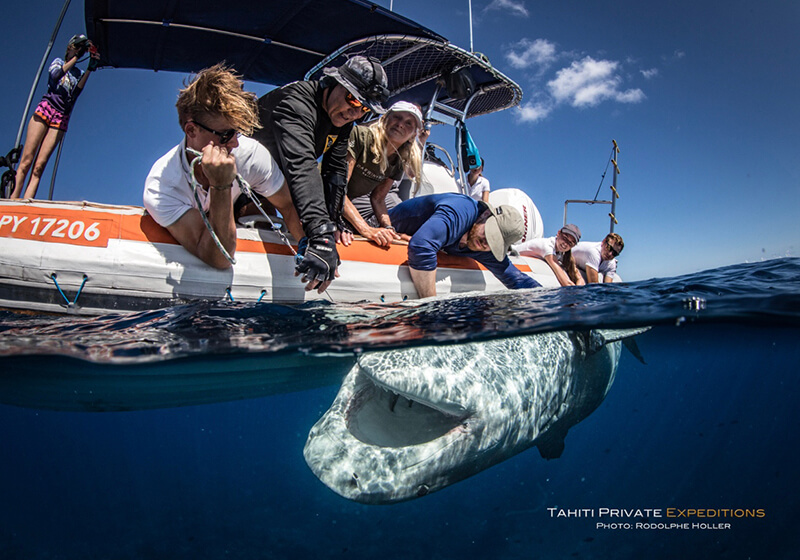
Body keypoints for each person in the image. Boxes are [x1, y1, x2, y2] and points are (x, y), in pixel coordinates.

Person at [143, 64, 303, 270]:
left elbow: (288, 207)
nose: (235, 143)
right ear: (191, 130)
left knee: (259, 207)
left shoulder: (250, 153)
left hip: (238, 207)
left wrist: (310, 246)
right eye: (226, 135)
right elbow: (220, 258)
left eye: (237, 133)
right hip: (200, 218)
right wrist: (220, 185)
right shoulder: (161, 187)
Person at [253, 56, 388, 293]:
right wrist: (321, 236)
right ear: (333, 83)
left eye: (363, 109)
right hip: (241, 183)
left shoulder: (342, 122)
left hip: (274, 185)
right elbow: (302, 165)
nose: (354, 113)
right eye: (352, 100)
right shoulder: (297, 103)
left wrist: (334, 221)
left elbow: (335, 172)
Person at [387, 193, 541, 298]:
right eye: (489, 233)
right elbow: (421, 245)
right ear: (486, 214)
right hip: (381, 224)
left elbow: (517, 279)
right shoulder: (460, 211)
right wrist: (429, 309)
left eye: (494, 243)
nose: (485, 243)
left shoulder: (485, 247)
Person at [10, 34, 100, 199]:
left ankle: (27, 203)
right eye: (77, 46)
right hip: (46, 108)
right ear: (70, 47)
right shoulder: (59, 62)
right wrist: (75, 58)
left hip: (60, 116)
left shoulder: (77, 73)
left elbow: (76, 93)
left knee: (39, 167)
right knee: (26, 161)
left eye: (81, 48)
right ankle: (12, 200)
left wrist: (90, 68)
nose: (79, 50)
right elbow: (55, 76)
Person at [339, 101, 424, 247]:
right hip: (321, 199)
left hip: (340, 205)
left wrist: (389, 229)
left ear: (413, 135)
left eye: (409, 123)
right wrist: (365, 229)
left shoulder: (398, 160)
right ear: (385, 119)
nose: (401, 124)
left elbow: (378, 198)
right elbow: (337, 188)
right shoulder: (361, 136)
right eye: (397, 117)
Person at [513, 224, 585, 287]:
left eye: (570, 243)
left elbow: (580, 278)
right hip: (511, 254)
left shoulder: (562, 253)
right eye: (564, 238)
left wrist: (579, 286)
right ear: (558, 233)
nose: (565, 244)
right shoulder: (547, 247)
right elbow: (566, 283)